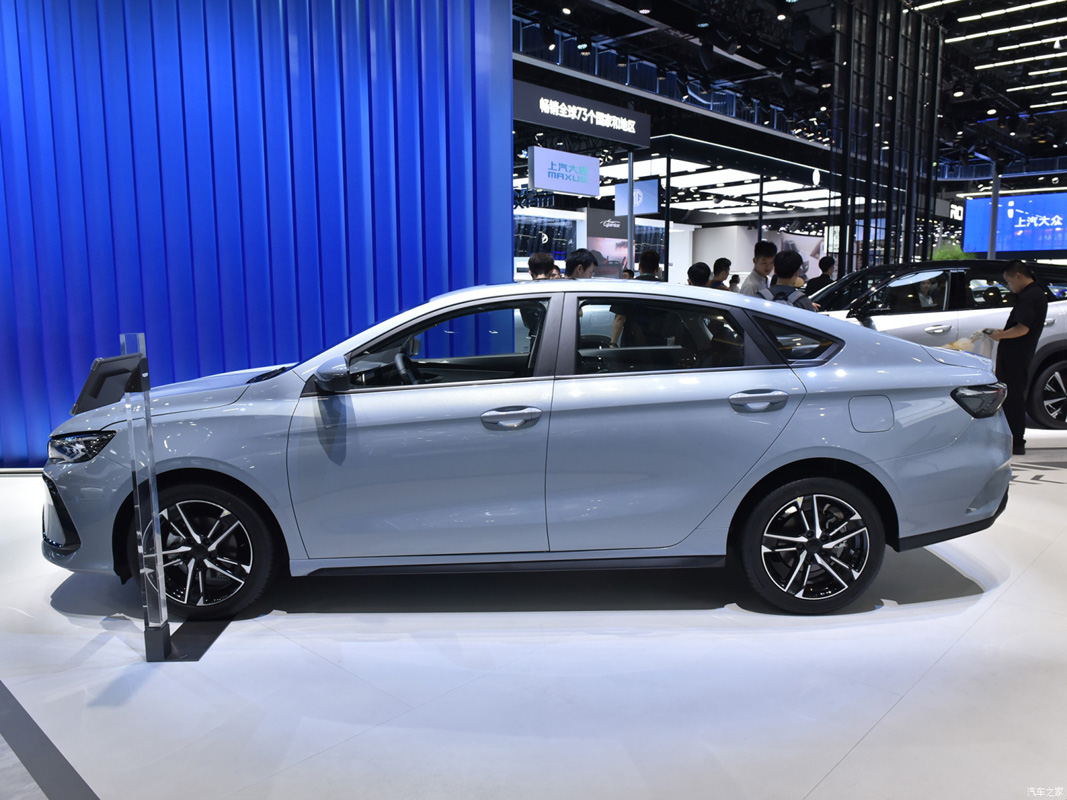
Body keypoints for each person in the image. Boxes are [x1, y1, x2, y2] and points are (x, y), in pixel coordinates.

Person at [990, 261, 1049, 455]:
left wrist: (1000, 335)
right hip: (1020, 355)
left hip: (1016, 356)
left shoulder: (1029, 296)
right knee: (1013, 396)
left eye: (1008, 281)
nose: (1009, 286)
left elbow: (1023, 328)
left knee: (1012, 398)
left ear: (1018, 276)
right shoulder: (1036, 293)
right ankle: (1014, 440)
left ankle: (1015, 441)